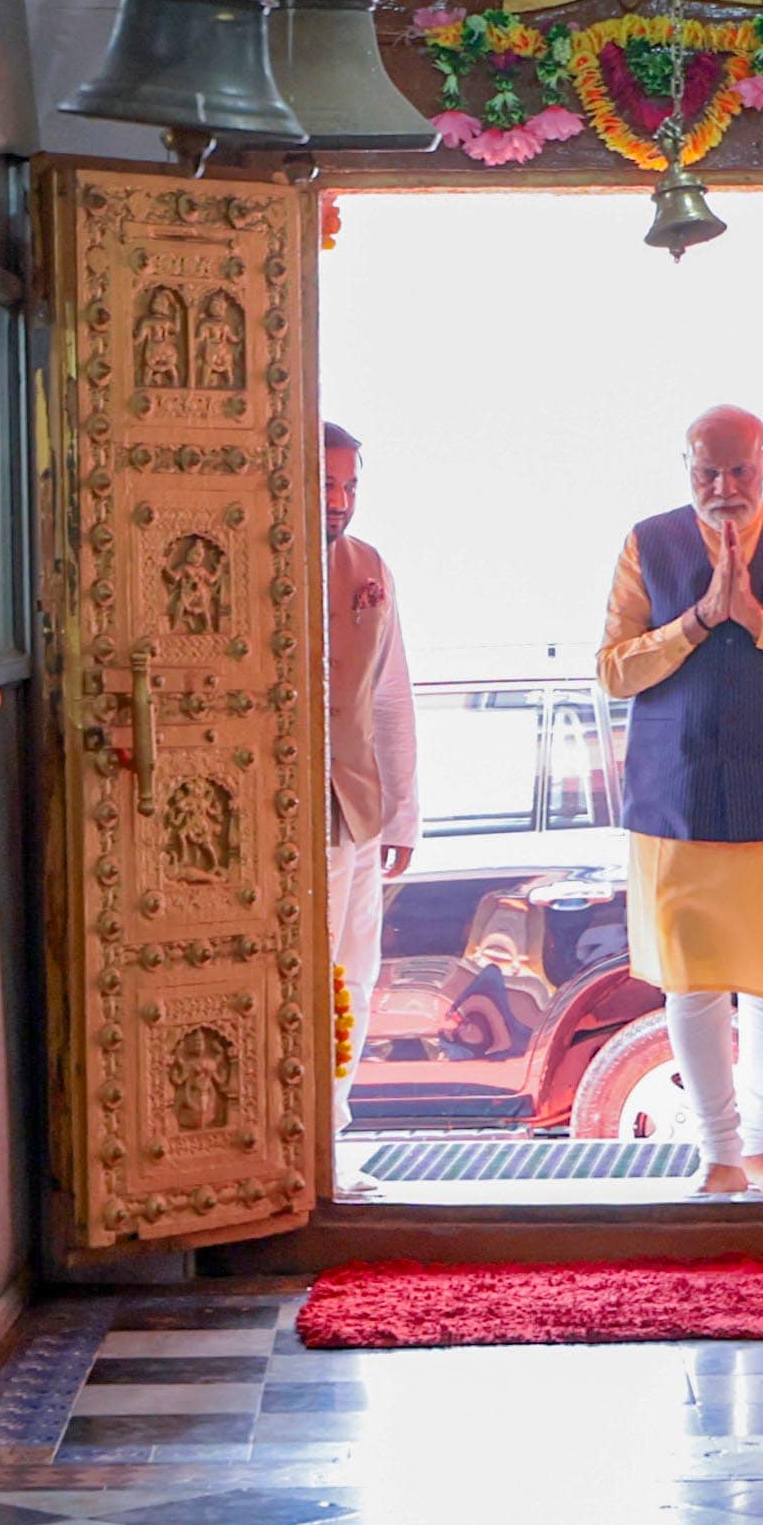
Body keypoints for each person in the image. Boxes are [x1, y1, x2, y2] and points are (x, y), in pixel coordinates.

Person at [598, 404, 763, 1193]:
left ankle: (759, 1149)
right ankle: (716, 1153)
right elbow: (613, 671)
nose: (723, 488)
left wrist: (759, 621)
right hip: (675, 793)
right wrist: (694, 623)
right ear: (685, 467)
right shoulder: (647, 542)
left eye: (739, 471)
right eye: (706, 473)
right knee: (692, 977)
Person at [324, 423, 420, 1103]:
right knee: (316, 977)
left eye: (349, 486)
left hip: (358, 809)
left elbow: (390, 696)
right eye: (326, 483)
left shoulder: (369, 567)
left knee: (357, 976)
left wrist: (402, 816)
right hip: (293, 814)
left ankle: (333, 1128)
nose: (339, 500)